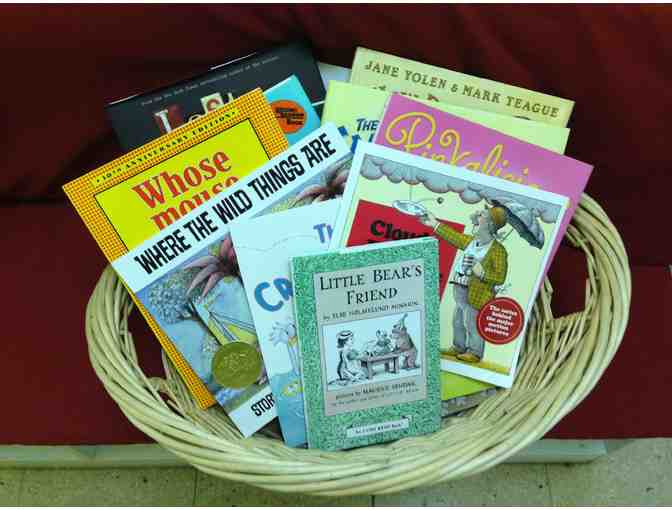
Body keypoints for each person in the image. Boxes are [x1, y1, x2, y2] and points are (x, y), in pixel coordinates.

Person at [419, 205, 509, 363]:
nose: (475, 217)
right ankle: (458, 347)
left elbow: (500, 277)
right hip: (460, 288)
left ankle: (475, 352)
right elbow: (453, 236)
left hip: (477, 294)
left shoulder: (498, 250)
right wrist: (434, 223)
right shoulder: (472, 242)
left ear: (489, 224)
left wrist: (482, 273)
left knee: (472, 323)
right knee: (458, 321)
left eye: (481, 216)